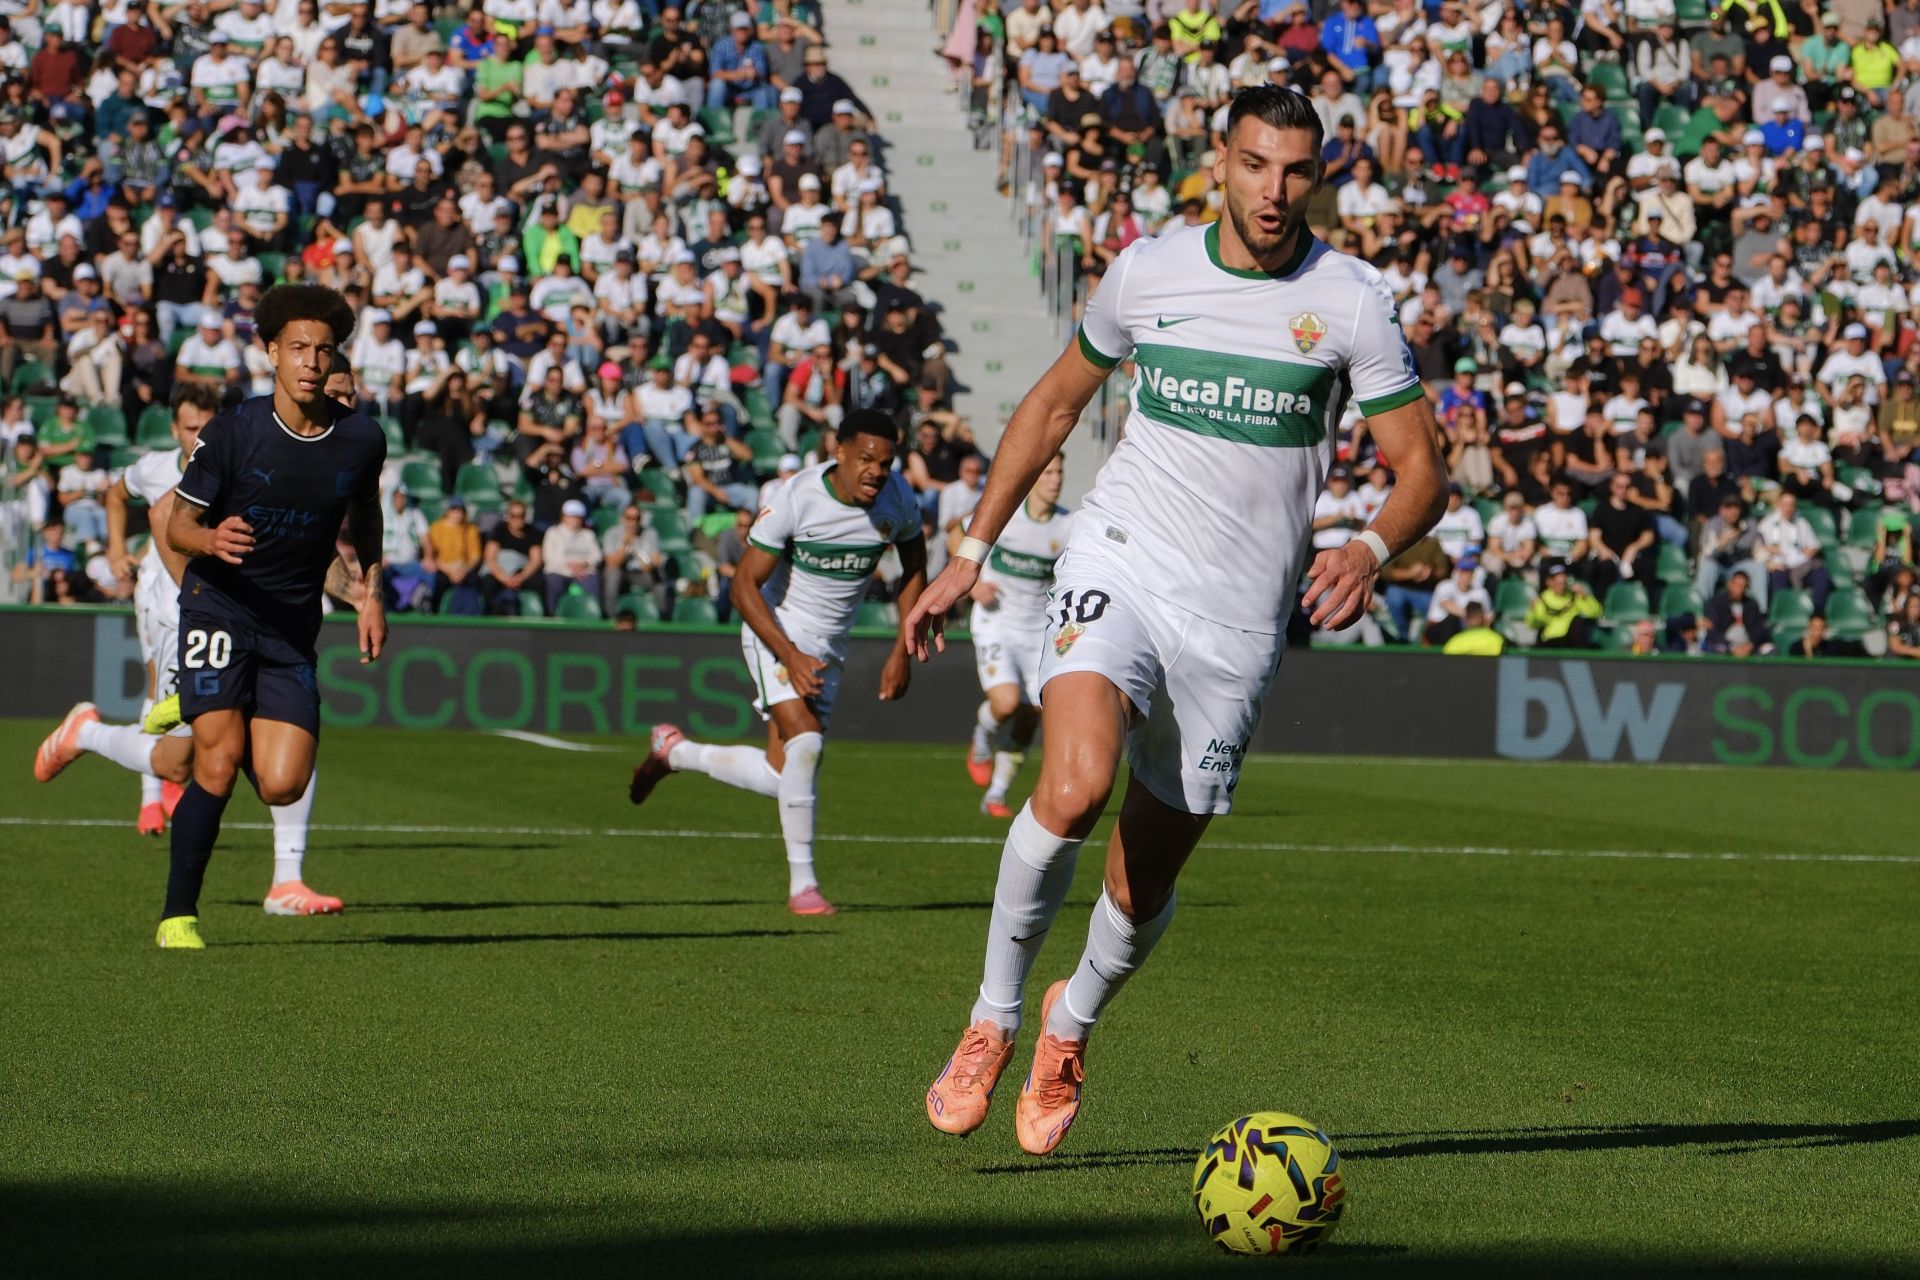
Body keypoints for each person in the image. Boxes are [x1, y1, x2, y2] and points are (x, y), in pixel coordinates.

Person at [908, 87, 1445, 1156]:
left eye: (1295, 171)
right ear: (1220, 161)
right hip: (1124, 560)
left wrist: (1370, 546)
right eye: (1255, 165)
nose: (1274, 190)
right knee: (1072, 785)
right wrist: (968, 551)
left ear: (1318, 175)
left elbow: (1422, 466)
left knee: (1139, 882)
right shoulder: (1149, 268)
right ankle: (994, 1016)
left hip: (1239, 624)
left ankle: (1070, 1024)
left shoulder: (1349, 300)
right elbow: (1056, 402)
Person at [627, 410, 928, 917]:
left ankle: (674, 753)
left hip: (829, 650)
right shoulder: (796, 497)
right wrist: (790, 653)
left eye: (886, 462)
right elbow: (743, 586)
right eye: (866, 459)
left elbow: (915, 567)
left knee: (781, 773)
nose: (876, 471)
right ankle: (803, 886)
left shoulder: (897, 499)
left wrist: (903, 650)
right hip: (776, 632)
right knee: (806, 744)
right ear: (839, 451)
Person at [158, 284, 383, 949]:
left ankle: (205, 703)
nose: (311, 361)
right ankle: (179, 915)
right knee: (219, 762)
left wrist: (371, 594)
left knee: (283, 785)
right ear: (271, 354)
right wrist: (210, 540)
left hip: (289, 626)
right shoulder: (235, 432)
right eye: (297, 349)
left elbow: (366, 515)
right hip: (219, 606)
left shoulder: (362, 439)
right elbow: (177, 525)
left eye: (322, 350)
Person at [965, 453, 1073, 820]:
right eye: (1048, 471)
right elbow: (956, 532)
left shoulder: (1069, 525)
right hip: (996, 623)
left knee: (1033, 713)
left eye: (1060, 471)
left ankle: (996, 794)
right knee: (1007, 702)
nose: (1056, 479)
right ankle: (981, 740)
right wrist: (974, 583)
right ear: (1033, 476)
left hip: (1037, 633)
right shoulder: (1007, 513)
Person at [1523, 558, 1603, 648]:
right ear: (1549, 582)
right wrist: (1532, 611)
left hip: (1571, 639)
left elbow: (1596, 613)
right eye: (1558, 583)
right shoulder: (1543, 599)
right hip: (1551, 639)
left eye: (1563, 583)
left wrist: (1585, 597)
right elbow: (1533, 623)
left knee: (1579, 622)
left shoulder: (1575, 596)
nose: (1562, 586)